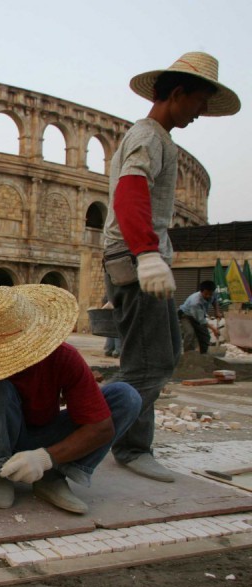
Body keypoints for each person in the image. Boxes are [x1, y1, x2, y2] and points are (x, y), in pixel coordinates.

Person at [102, 51, 240, 483]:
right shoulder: (150, 136)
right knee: (148, 362)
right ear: (178, 94)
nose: (201, 114)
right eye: (200, 103)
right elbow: (129, 190)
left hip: (141, 256)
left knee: (164, 355)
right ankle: (113, 443)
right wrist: (145, 253)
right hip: (134, 257)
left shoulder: (155, 136)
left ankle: (119, 438)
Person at [0, 285, 141, 514]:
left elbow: (101, 427)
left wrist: (45, 458)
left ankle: (54, 475)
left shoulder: (63, 358)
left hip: (44, 437)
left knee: (126, 397)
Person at [179, 280, 222, 353]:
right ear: (201, 291)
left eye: (210, 294)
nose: (208, 296)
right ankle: (188, 355)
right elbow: (201, 320)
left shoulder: (213, 293)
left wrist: (217, 311)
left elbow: (215, 300)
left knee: (205, 336)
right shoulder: (195, 302)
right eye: (206, 294)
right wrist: (214, 329)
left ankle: (203, 355)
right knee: (190, 333)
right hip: (186, 316)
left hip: (198, 315)